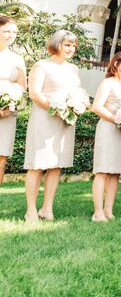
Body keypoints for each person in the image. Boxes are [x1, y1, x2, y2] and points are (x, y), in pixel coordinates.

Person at [24, 30, 82, 221]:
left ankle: (47, 208)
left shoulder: (73, 69)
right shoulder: (41, 66)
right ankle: (31, 210)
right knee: (37, 164)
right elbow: (35, 94)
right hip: (44, 118)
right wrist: (55, 109)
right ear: (56, 44)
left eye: (73, 45)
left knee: (56, 165)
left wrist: (76, 106)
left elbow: (77, 92)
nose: (71, 49)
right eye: (67, 45)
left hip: (65, 120)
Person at [90, 52, 121, 222]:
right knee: (103, 171)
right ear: (116, 63)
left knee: (115, 173)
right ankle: (98, 212)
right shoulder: (108, 83)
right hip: (108, 129)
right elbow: (97, 107)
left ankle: (109, 210)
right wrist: (117, 120)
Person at [0, 15, 26, 184]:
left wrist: (9, 106)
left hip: (7, 112)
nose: (10, 35)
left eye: (14, 32)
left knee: (1, 157)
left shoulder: (18, 58)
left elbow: (22, 86)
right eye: (6, 31)